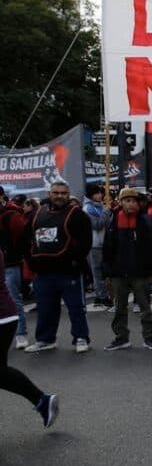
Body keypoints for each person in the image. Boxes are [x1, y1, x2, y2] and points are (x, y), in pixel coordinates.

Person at [24, 182, 93, 354]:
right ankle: (45, 339)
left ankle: (81, 338)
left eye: (63, 193)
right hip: (43, 273)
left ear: (68, 194)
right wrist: (32, 262)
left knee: (76, 308)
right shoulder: (36, 214)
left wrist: (73, 261)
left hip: (69, 272)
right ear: (50, 193)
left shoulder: (78, 215)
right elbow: (26, 241)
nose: (60, 196)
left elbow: (85, 243)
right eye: (56, 192)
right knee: (45, 308)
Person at [0, 247, 59, 428]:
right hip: (5, 316)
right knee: (1, 373)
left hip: (2, 317)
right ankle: (42, 401)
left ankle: (42, 400)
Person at [102, 188, 152, 351]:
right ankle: (121, 337)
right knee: (119, 307)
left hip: (140, 272)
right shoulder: (113, 221)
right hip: (118, 272)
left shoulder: (147, 221)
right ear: (121, 202)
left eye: (134, 201)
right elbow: (107, 248)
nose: (131, 204)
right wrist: (107, 272)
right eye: (127, 200)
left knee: (145, 308)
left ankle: (149, 337)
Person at [0, 186, 29, 350]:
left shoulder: (11, 215)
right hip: (8, 262)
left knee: (13, 299)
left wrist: (12, 254)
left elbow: (22, 238)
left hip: (10, 264)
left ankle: (21, 334)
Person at [83, 184, 112, 308]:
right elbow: (97, 225)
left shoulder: (100, 207)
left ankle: (100, 295)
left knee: (103, 271)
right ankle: (102, 297)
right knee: (98, 272)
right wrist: (106, 213)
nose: (100, 195)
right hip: (94, 245)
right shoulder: (87, 209)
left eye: (101, 193)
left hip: (104, 243)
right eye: (97, 193)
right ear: (91, 194)